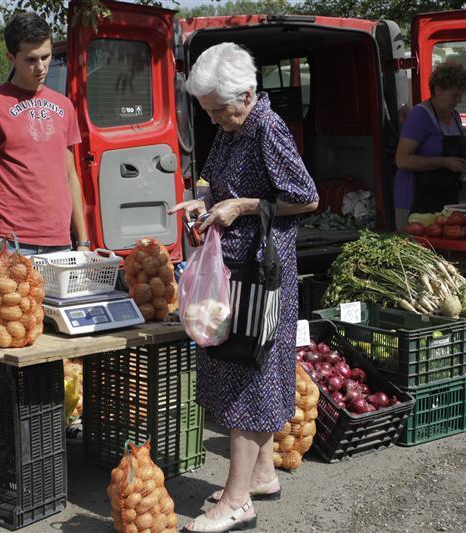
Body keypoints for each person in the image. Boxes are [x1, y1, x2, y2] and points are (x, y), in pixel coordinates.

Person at [169, 43, 318, 532]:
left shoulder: (267, 129)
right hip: (235, 269)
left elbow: (306, 198)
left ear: (248, 94)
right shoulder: (234, 129)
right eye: (207, 110)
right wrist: (204, 200)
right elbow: (220, 184)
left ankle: (235, 503)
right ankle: (261, 475)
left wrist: (244, 207)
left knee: (245, 377)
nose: (213, 120)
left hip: (260, 273)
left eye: (218, 109)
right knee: (246, 369)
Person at [0, 11, 90, 282]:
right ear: (11, 58)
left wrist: (84, 242)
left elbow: (70, 176)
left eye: (46, 56)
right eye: (30, 60)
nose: (40, 67)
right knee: (11, 324)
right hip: (9, 245)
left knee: (55, 324)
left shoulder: (65, 106)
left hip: (59, 243)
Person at [394, 61, 466, 227]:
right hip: (416, 201)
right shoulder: (420, 115)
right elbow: (402, 160)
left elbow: (455, 154)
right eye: (454, 95)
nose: (458, 100)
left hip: (447, 202)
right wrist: (444, 162)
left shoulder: (455, 117)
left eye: (461, 96)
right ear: (438, 89)